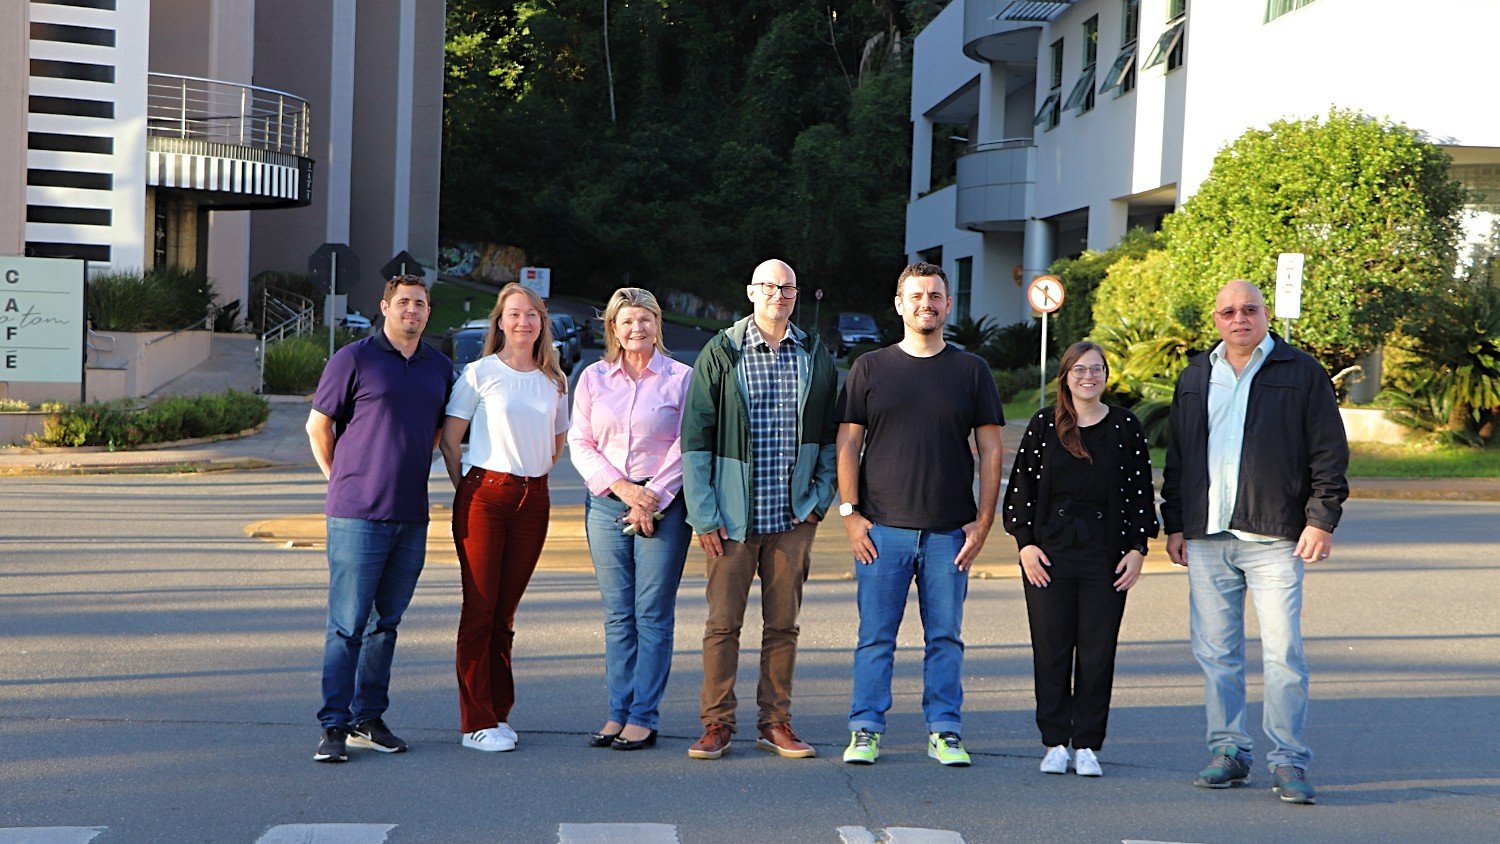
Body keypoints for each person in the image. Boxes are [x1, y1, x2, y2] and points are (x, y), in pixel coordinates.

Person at [1162, 279, 1349, 805]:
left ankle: (1288, 759)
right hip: (1206, 535)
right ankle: (1229, 751)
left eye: (1249, 309)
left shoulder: (1303, 373)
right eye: (1228, 311)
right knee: (1217, 653)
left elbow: (1329, 452)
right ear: (1215, 319)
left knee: (1283, 652)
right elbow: (1179, 455)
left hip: (1274, 537)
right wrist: (1174, 523)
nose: (1239, 319)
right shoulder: (1197, 374)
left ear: (1265, 314)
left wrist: (1321, 519)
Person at [836, 262, 1004, 767]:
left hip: (949, 531)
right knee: (875, 639)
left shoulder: (971, 370)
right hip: (882, 530)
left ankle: (945, 730)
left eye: (935, 296)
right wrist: (849, 513)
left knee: (946, 637)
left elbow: (992, 450)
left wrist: (984, 518)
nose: (925, 304)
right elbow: (847, 442)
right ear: (899, 305)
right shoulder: (870, 367)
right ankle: (865, 728)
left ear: (948, 305)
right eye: (916, 296)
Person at [679, 258, 838, 760]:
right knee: (723, 625)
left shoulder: (814, 354)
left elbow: (832, 434)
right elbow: (696, 437)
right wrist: (704, 515)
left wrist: (817, 502)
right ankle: (717, 724)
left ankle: (775, 723)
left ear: (796, 295)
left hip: (792, 520)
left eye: (787, 287)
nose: (778, 294)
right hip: (730, 521)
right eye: (769, 286)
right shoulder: (722, 352)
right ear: (752, 292)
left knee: (783, 626)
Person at [305, 273, 452, 763]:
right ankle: (333, 725)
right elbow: (318, 426)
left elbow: (437, 432)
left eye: (421, 304)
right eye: (403, 302)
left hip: (411, 514)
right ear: (385, 306)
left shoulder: (439, 366)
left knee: (385, 624)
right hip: (356, 514)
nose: (412, 310)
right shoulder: (354, 358)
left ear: (429, 313)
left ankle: (370, 717)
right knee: (347, 624)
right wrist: (341, 478)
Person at [1002, 341, 1158, 777]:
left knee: (1096, 651)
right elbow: (1020, 492)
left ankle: (1088, 743)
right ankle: (1054, 741)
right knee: (1051, 649)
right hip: (1048, 554)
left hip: (1105, 555)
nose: (1088, 377)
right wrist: (1025, 545)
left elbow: (1140, 492)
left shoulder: (1126, 426)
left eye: (1097, 370)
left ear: (1107, 376)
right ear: (1065, 376)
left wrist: (1137, 549)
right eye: (1079, 370)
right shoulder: (1043, 426)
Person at [438, 282, 570, 753]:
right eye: (513, 314)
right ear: (499, 322)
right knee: (480, 608)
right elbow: (451, 441)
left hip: (534, 499)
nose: (522, 322)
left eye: (531, 315)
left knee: (504, 613)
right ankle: (475, 721)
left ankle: (499, 712)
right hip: (485, 496)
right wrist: (468, 490)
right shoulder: (478, 373)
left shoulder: (555, 380)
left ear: (542, 323)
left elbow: (557, 443)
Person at [568, 287, 693, 751]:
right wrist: (623, 490)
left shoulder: (682, 378)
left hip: (665, 504)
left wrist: (652, 497)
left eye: (644, 319)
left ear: (657, 324)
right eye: (626, 322)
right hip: (606, 501)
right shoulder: (593, 378)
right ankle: (618, 711)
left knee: (652, 615)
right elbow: (580, 442)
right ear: (613, 330)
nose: (636, 328)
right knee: (619, 616)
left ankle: (644, 715)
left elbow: (688, 443)